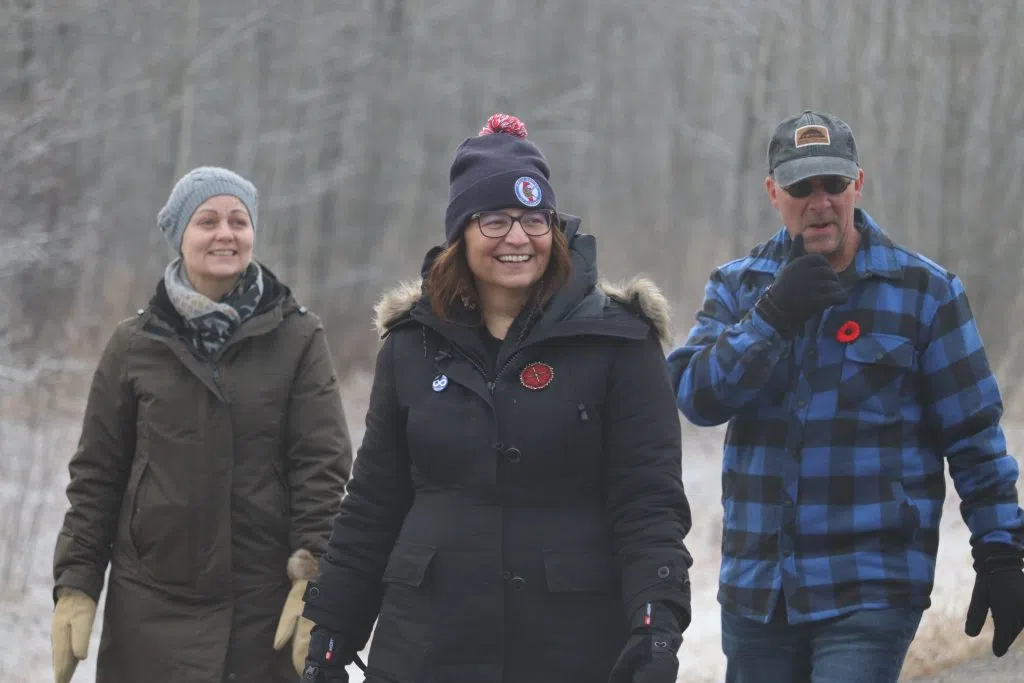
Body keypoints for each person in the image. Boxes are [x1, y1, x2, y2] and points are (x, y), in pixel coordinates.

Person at [297, 114, 693, 683]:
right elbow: (373, 502)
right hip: (427, 646)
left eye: (536, 220)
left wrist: (657, 624)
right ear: (461, 232)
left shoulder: (620, 341)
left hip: (573, 646)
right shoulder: (413, 344)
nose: (518, 238)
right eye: (497, 219)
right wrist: (331, 630)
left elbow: (648, 500)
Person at [668, 110, 1024, 682]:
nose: (819, 202)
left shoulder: (924, 292)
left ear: (857, 183)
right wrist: (771, 317)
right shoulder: (739, 287)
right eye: (799, 187)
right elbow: (698, 397)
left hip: (871, 584)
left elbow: (975, 436)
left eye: (833, 184)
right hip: (759, 590)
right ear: (772, 192)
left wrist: (1001, 549)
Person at [51, 166, 353, 683]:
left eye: (238, 220)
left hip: (261, 610)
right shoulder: (134, 344)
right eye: (207, 220)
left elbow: (321, 466)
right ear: (180, 236)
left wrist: (314, 578)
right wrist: (77, 583)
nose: (225, 233)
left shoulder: (298, 337)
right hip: (149, 610)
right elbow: (97, 474)